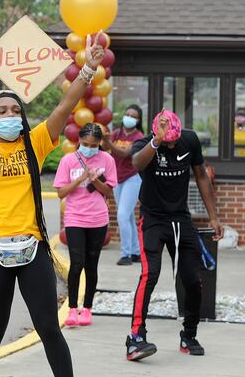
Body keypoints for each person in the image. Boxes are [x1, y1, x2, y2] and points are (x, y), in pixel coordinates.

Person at [0, 35, 105, 377]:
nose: (10, 115)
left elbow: (66, 105)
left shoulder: (35, 142)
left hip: (32, 250)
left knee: (48, 328)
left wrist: (88, 68)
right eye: (2, 111)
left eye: (15, 110)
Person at [125, 109, 223, 361]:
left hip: (180, 219)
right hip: (153, 220)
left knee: (193, 280)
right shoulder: (145, 144)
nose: (171, 145)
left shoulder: (189, 139)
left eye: (173, 141)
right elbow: (136, 163)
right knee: (150, 274)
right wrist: (157, 141)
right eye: (167, 141)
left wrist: (213, 216)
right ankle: (136, 338)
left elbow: (201, 175)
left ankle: (188, 335)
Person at [54, 123, 117, 327]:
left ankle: (87, 309)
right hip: (75, 218)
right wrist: (80, 179)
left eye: (93, 145)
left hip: (98, 219)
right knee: (77, 263)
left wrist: (94, 180)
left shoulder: (107, 160)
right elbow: (61, 193)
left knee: (91, 265)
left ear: (99, 143)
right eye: (85, 144)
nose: (89, 148)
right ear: (79, 141)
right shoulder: (68, 160)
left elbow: (109, 192)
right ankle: (73, 308)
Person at [102, 104, 145, 265]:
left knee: (122, 215)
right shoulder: (116, 133)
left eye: (133, 116)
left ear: (138, 120)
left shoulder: (139, 137)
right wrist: (105, 140)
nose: (129, 118)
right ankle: (135, 252)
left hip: (132, 178)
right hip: (117, 178)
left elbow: (124, 153)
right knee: (128, 216)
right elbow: (105, 149)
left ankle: (126, 254)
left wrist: (109, 142)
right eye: (127, 114)